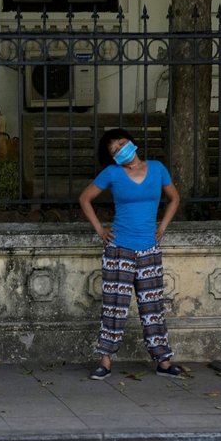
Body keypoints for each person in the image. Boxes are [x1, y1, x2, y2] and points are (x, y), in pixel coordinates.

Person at [78, 128, 183, 381]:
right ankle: (105, 361)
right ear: (112, 158)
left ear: (132, 143)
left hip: (149, 248)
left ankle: (163, 361)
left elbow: (174, 199)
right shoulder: (112, 173)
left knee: (153, 305)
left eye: (122, 143)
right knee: (114, 306)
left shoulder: (157, 168)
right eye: (114, 150)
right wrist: (101, 230)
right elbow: (84, 199)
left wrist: (162, 228)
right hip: (119, 249)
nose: (120, 149)